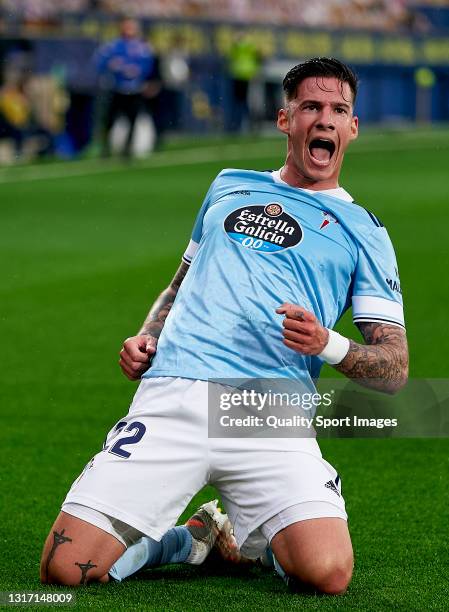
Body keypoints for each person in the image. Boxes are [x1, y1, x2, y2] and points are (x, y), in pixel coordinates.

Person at [41, 57, 408, 593]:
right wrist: (148, 336)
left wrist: (326, 343)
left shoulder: (365, 232)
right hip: (173, 394)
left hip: (267, 410)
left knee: (326, 573)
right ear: (285, 119)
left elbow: (394, 368)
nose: (324, 119)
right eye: (311, 106)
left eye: (338, 109)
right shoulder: (228, 185)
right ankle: (186, 540)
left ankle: (261, 534)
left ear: (352, 127)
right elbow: (179, 283)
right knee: (64, 568)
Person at [94, 17, 157, 158]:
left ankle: (127, 149)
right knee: (109, 119)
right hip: (116, 88)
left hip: (134, 89)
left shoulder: (142, 47)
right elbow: (100, 62)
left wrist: (136, 71)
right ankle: (105, 147)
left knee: (132, 120)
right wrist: (114, 66)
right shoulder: (113, 46)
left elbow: (148, 66)